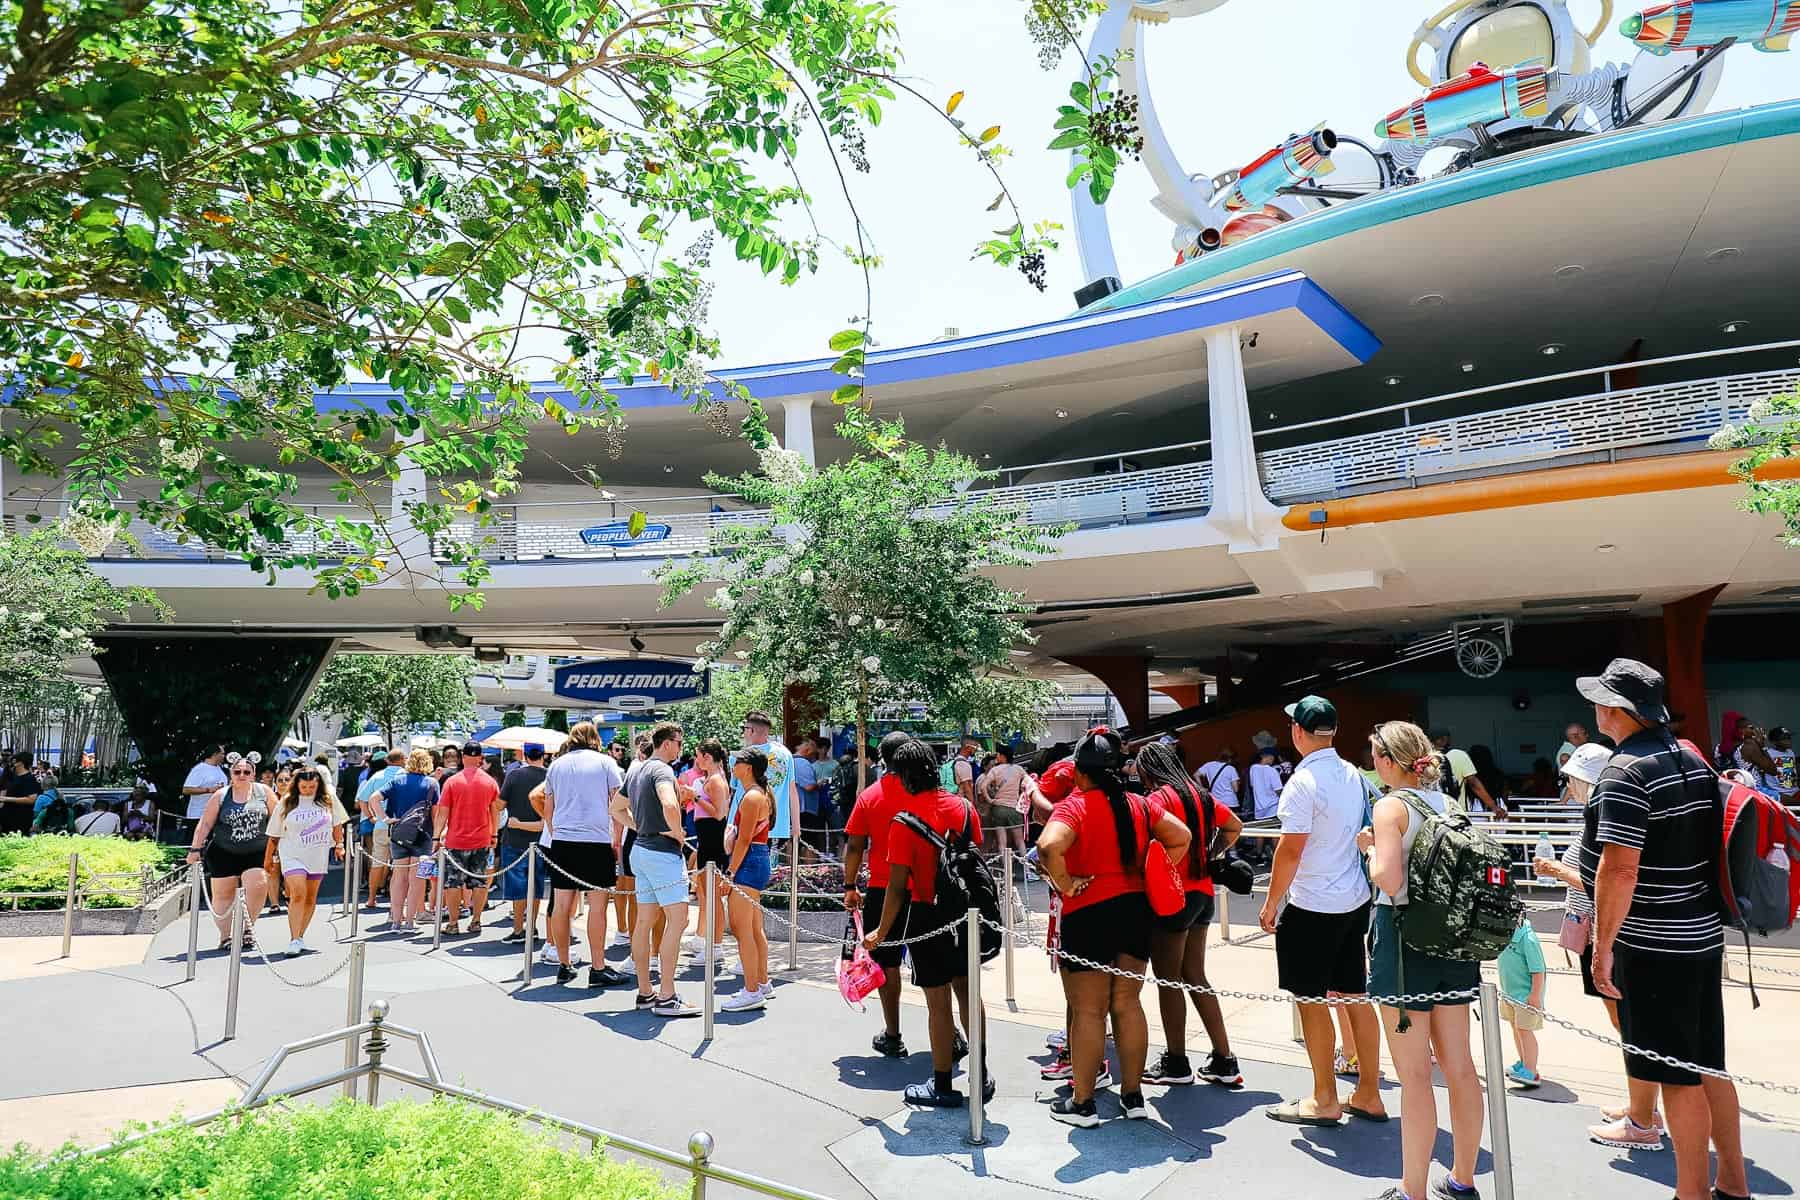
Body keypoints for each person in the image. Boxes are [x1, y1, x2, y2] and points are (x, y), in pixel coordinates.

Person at [1576, 659, 1746, 1200]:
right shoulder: (1690, 759)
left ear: (1617, 710)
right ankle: (1734, 1183)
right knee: (1708, 1062)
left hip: (1651, 944)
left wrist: (1601, 949)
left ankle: (1690, 1192)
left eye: (1601, 699)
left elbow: (1619, 867)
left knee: (1677, 1074)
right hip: (1699, 934)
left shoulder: (1626, 772)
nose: (1595, 707)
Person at [1034, 729, 1188, 1125]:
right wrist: (1152, 868)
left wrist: (1066, 884)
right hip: (1134, 910)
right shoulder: (1139, 804)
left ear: (1080, 772)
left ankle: (1082, 1103)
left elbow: (1049, 847)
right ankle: (1133, 1097)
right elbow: (1181, 837)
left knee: (1088, 1010)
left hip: (1088, 913)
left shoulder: (1074, 806)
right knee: (1127, 1003)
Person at [1359, 719, 1482, 1200]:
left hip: (1404, 946)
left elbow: (1389, 879)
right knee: (1462, 1068)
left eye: (1375, 755)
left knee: (1414, 1077)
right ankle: (1463, 1180)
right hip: (1452, 945)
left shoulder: (1390, 806)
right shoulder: (1450, 805)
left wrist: (1370, 851)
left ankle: (1413, 1191)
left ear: (1389, 760)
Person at [1260, 695, 1386, 1127]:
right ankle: (1368, 1092)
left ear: (1298, 732)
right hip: (1352, 899)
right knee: (1355, 996)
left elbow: (1290, 848)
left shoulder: (1302, 782)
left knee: (1312, 1002)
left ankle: (1324, 1097)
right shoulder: (1352, 772)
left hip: (1312, 903)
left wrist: (1272, 901)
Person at [1533, 741, 1664, 1141]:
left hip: (1609, 933)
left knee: (1630, 1024)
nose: (1568, 786)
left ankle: (1644, 1119)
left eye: (1571, 779)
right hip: (1605, 930)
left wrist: (1556, 869)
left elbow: (1602, 882)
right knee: (1626, 1022)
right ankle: (1641, 1106)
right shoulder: (1600, 815)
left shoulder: (1604, 817)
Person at [867, 739, 999, 1110]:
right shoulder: (964, 808)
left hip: (927, 916)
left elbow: (896, 888)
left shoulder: (903, 822)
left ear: (904, 776)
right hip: (966, 913)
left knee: (937, 1002)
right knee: (969, 993)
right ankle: (980, 1071)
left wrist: (881, 931)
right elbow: (974, 857)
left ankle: (943, 1084)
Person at [1136, 740, 1242, 1089]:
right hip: (1203, 893)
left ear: (1148, 772)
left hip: (1172, 897)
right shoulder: (1202, 796)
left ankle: (1176, 1061)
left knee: (1168, 981)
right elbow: (1234, 826)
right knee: (1196, 975)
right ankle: (1224, 1059)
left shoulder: (1156, 800)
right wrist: (1211, 853)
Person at [533, 722, 631, 988]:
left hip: (563, 841)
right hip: (596, 840)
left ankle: (564, 964)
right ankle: (598, 966)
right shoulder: (606, 763)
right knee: (597, 907)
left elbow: (548, 807)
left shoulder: (556, 765)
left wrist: (555, 832)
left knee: (561, 906)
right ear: (595, 739)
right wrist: (616, 839)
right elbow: (617, 803)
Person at [616, 722, 699, 1017]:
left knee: (645, 922)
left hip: (640, 850)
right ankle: (666, 996)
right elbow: (668, 802)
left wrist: (639, 826)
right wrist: (677, 832)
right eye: (679, 742)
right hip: (662, 854)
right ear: (667, 743)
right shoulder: (662, 770)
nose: (681, 747)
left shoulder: (636, 769)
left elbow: (615, 808)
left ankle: (645, 992)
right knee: (678, 921)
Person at [843, 732, 918, 1054]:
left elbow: (855, 844)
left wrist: (849, 885)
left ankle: (893, 1032)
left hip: (883, 888)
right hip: (927, 890)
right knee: (934, 965)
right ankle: (951, 1034)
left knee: (887, 965)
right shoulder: (929, 794)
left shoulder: (871, 796)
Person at [185, 752, 273, 950]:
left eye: (246, 772)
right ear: (231, 774)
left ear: (253, 774)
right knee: (223, 895)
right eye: (237, 772)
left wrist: (280, 847)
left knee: (258, 885)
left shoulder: (264, 792)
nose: (241, 775)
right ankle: (226, 936)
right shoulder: (221, 795)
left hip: (256, 851)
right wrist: (195, 849)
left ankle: (247, 928)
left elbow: (277, 820)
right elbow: (205, 823)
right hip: (224, 851)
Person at [265, 766, 347, 956]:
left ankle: (300, 936)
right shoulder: (287, 803)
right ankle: (293, 938)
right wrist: (268, 859)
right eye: (304, 787)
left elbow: (337, 824)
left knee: (310, 898)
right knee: (298, 893)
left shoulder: (328, 800)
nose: (308, 790)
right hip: (291, 853)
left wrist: (339, 844)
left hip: (316, 854)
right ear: (297, 786)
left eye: (312, 786)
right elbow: (274, 834)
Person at [723, 745, 776, 1012]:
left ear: (749, 767)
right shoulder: (755, 794)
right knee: (754, 928)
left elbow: (744, 839)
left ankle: (752, 990)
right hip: (756, 859)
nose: (733, 765)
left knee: (742, 928)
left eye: (738, 761)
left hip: (749, 862)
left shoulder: (752, 797)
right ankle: (761, 982)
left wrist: (730, 873)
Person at [432, 741, 501, 936]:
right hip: (482, 839)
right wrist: (494, 833)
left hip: (455, 841)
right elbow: (494, 811)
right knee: (479, 882)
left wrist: (436, 838)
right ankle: (476, 920)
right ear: (480, 758)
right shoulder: (490, 782)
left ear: (463, 757)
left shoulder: (452, 782)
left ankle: (453, 923)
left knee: (453, 883)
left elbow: (442, 814)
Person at [371, 749, 441, 933]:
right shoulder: (432, 784)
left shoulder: (397, 781)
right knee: (418, 878)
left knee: (398, 877)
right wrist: (437, 837)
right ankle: (410, 921)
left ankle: (396, 920)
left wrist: (384, 818)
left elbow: (374, 798)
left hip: (399, 833)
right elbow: (436, 814)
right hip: (423, 835)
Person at [686, 740, 732, 970]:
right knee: (708, 895)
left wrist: (695, 797)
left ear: (707, 757)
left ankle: (715, 948)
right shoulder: (714, 778)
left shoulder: (714, 780)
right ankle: (712, 945)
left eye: (699, 756)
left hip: (712, 841)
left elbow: (719, 813)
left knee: (712, 897)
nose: (696, 760)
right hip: (707, 841)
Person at [498, 743, 549, 942]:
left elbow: (499, 804)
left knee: (518, 887)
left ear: (525, 755)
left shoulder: (514, 776)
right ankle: (532, 926)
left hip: (515, 838)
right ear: (543, 755)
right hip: (542, 839)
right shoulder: (550, 776)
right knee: (536, 885)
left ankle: (518, 928)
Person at [1498, 916, 1547, 1088]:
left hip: (1525, 997)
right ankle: (1524, 1061)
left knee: (1524, 1030)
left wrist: (1534, 996)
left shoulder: (1528, 938)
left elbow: (1538, 971)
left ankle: (1531, 1070)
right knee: (1516, 1028)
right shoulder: (1505, 933)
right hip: (1509, 993)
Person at [356, 748, 405, 909]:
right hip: (403, 825)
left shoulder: (376, 777)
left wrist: (371, 817)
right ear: (403, 759)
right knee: (400, 864)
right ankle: (397, 899)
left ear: (387, 761)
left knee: (377, 862)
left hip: (381, 825)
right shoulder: (407, 776)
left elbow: (362, 800)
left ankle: (371, 898)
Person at [1429, 730, 1502, 816]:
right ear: (1446, 739)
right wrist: (1494, 807)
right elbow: (1473, 784)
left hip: (1431, 812)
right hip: (1456, 812)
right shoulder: (1459, 755)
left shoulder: (1423, 758)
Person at [977, 744, 1031, 863]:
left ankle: (1006, 870)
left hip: (998, 809)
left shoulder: (995, 770)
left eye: (998, 754)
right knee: (1019, 841)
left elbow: (983, 786)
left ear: (1003, 756)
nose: (997, 757)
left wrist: (990, 800)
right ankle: (1028, 870)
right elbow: (1028, 782)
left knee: (1002, 842)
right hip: (1014, 808)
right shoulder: (1018, 769)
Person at [793, 738, 827, 861]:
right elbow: (809, 786)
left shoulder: (789, 761)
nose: (814, 758)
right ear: (807, 751)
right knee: (810, 842)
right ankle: (809, 871)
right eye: (813, 754)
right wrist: (819, 783)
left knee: (793, 841)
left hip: (794, 808)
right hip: (806, 809)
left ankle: (790, 871)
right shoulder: (803, 763)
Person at [0, 754, 40, 835]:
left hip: (21, 818)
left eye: (15, 760)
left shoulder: (29, 779)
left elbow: (31, 799)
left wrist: (6, 799)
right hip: (6, 817)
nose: (12, 762)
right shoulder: (11, 777)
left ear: (21, 763)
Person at [1195, 748, 1239, 814]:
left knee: (1219, 823)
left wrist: (1202, 788)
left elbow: (1196, 775)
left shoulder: (1209, 765)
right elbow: (1236, 789)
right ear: (1230, 759)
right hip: (1230, 803)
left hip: (1216, 803)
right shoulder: (1231, 769)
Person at [31, 770, 71, 834]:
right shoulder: (61, 796)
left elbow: (36, 814)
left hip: (45, 827)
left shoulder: (41, 798)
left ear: (43, 785)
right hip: (61, 827)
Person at [1767, 725, 1797, 805]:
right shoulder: (1769, 754)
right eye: (1784, 738)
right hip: (1780, 793)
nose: (1788, 740)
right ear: (1774, 742)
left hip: (1794, 791)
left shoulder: (1790, 752)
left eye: (1789, 737)